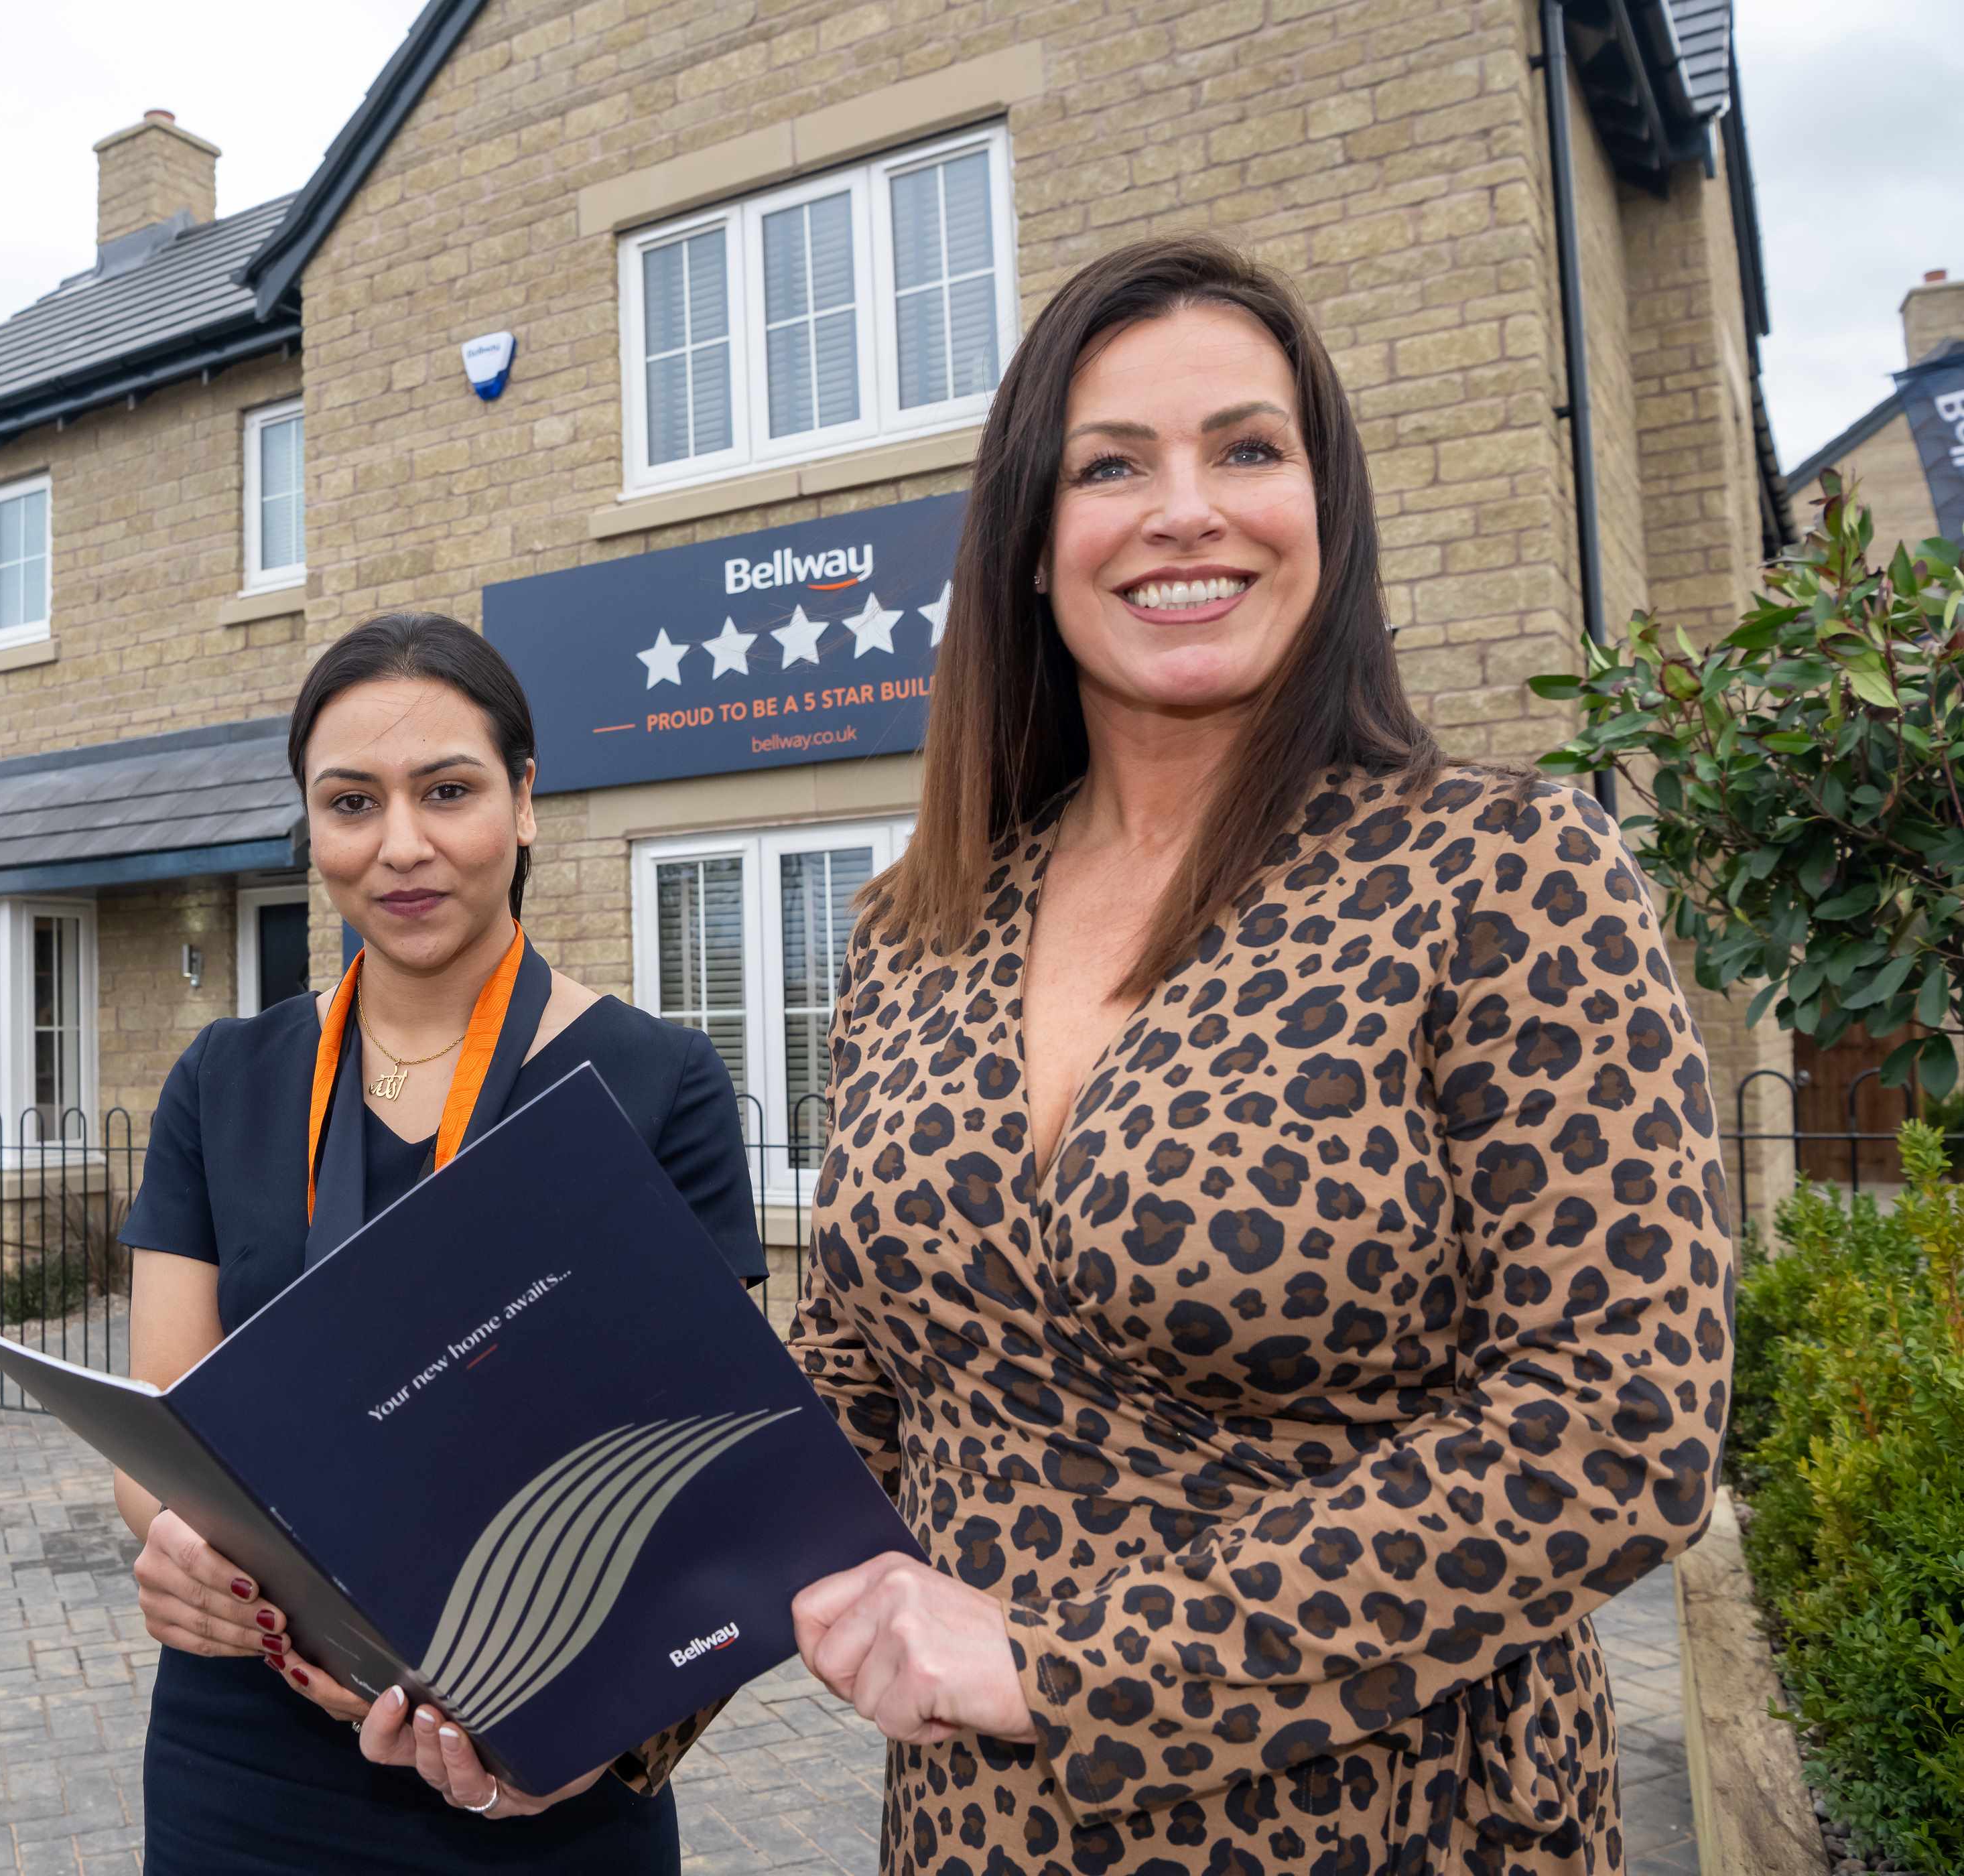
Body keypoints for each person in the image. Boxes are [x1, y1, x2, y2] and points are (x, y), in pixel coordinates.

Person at [389, 235, 1736, 1873]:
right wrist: (587, 1713)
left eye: (1247, 449)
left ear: (1328, 512)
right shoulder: (914, 928)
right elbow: (857, 1394)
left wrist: (1065, 1665)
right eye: (1114, 465)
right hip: (978, 1835)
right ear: (1032, 544)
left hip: (1397, 1825)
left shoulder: (1506, 873)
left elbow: (1617, 1429)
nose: (1186, 510)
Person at [113, 612, 768, 1875]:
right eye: (351, 802)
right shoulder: (224, 1079)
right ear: (311, 827)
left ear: (524, 802)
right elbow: (156, 1428)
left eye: (449, 791)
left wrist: (598, 1724)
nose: (400, 846)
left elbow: (714, 1469)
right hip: (244, 1754)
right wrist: (173, 1545)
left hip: (536, 1753)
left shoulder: (657, 1081)